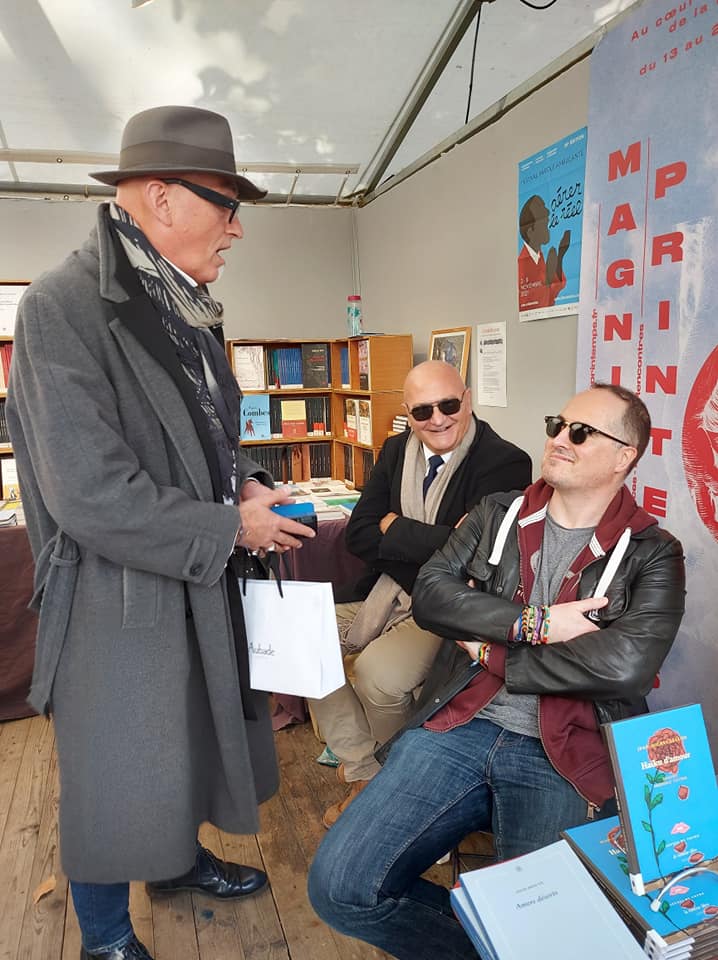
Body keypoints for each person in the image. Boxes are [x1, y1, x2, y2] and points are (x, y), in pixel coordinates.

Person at [6, 105, 316, 960]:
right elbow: (90, 494)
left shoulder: (189, 307)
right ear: (159, 198)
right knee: (118, 770)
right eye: (226, 202)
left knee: (187, 736)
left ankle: (174, 863)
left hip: (192, 572)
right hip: (115, 598)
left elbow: (213, 435)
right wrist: (232, 524)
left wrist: (247, 479)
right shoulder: (62, 306)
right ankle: (104, 933)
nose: (238, 227)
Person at [308, 383, 686, 960]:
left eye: (580, 433)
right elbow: (434, 596)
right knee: (340, 890)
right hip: (460, 724)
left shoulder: (653, 552)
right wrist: (538, 624)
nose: (559, 439)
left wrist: (491, 649)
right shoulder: (496, 513)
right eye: (557, 424)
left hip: (565, 751)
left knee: (540, 932)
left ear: (624, 456)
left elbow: (625, 667)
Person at [309, 360, 531, 827]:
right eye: (423, 410)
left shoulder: (504, 461)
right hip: (387, 592)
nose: (438, 418)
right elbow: (360, 534)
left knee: (377, 675)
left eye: (448, 404)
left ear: (467, 400)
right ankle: (367, 772)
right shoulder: (395, 451)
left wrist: (396, 529)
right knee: (302, 641)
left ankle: (404, 784)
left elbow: (480, 558)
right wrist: (437, 539)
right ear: (408, 413)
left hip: (447, 609)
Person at [517, 194, 570, 312]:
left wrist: (560, 256)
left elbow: (553, 291)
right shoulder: (521, 267)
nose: (547, 212)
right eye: (544, 225)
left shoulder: (539, 257)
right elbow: (530, 307)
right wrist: (548, 279)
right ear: (531, 231)